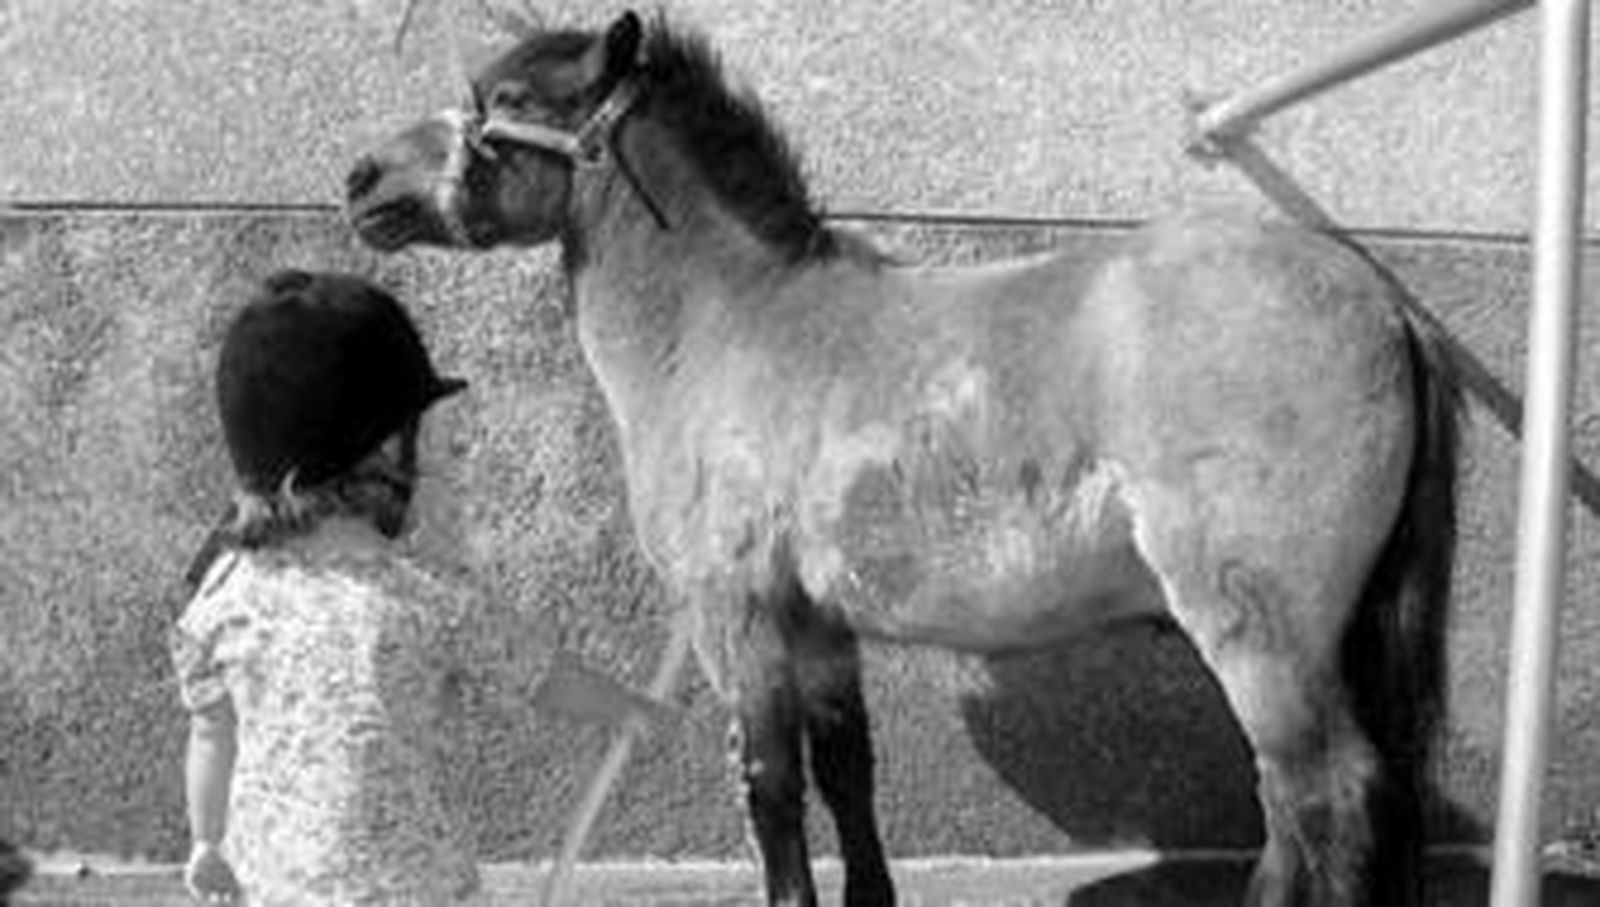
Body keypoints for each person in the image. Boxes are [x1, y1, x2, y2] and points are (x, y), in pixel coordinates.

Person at [173, 270, 666, 905]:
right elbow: (544, 676)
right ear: (381, 451)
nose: (441, 454)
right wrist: (627, 708)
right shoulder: (427, 601)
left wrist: (207, 842)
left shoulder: (223, 596)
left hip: (275, 890)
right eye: (427, 435)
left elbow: (212, 731)